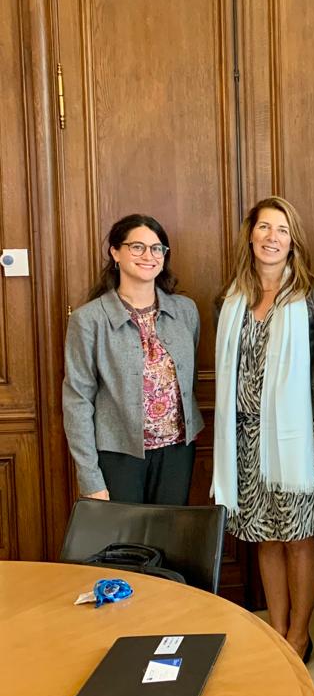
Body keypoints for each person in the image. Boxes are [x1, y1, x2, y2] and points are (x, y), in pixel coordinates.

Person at [212, 197, 314, 662]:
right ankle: (277, 628)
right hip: (245, 441)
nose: (272, 237)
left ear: (293, 241)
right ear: (251, 235)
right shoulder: (229, 299)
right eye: (265, 227)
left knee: (299, 536)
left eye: (282, 230)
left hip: (299, 438)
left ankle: (300, 636)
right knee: (264, 536)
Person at [63, 214, 203, 504]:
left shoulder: (185, 311)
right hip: (118, 455)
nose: (148, 256)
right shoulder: (89, 320)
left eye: (156, 248)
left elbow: (191, 379)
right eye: (137, 247)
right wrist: (90, 477)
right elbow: (77, 401)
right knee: (124, 533)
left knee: (170, 531)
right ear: (115, 252)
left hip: (177, 451)